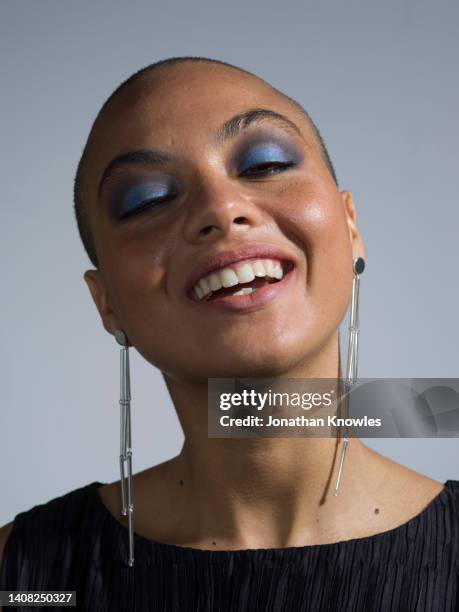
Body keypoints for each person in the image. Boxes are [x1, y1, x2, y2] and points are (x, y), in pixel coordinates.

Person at [1, 56, 458, 611]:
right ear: (107, 304)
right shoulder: (26, 579)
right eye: (146, 200)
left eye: (265, 164)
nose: (221, 208)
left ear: (350, 226)